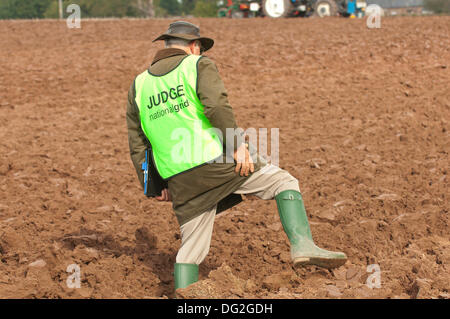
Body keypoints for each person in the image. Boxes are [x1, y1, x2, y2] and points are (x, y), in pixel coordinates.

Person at [126, 21, 347, 291]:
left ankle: (185, 297)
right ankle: (303, 245)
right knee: (282, 182)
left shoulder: (139, 85)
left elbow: (137, 141)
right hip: (215, 161)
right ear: (194, 47)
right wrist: (236, 146)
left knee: (190, 250)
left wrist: (155, 186)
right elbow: (216, 105)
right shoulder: (198, 65)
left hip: (179, 179)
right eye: (200, 48)